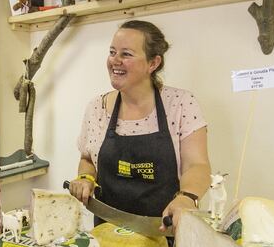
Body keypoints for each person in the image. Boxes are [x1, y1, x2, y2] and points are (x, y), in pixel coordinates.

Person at [68, 20, 211, 235]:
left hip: (165, 236)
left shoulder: (181, 104)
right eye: (112, 52)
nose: (114, 60)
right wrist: (85, 178)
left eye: (126, 54)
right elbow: (88, 158)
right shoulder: (97, 108)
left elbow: (197, 165)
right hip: (108, 235)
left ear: (153, 63)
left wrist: (187, 198)